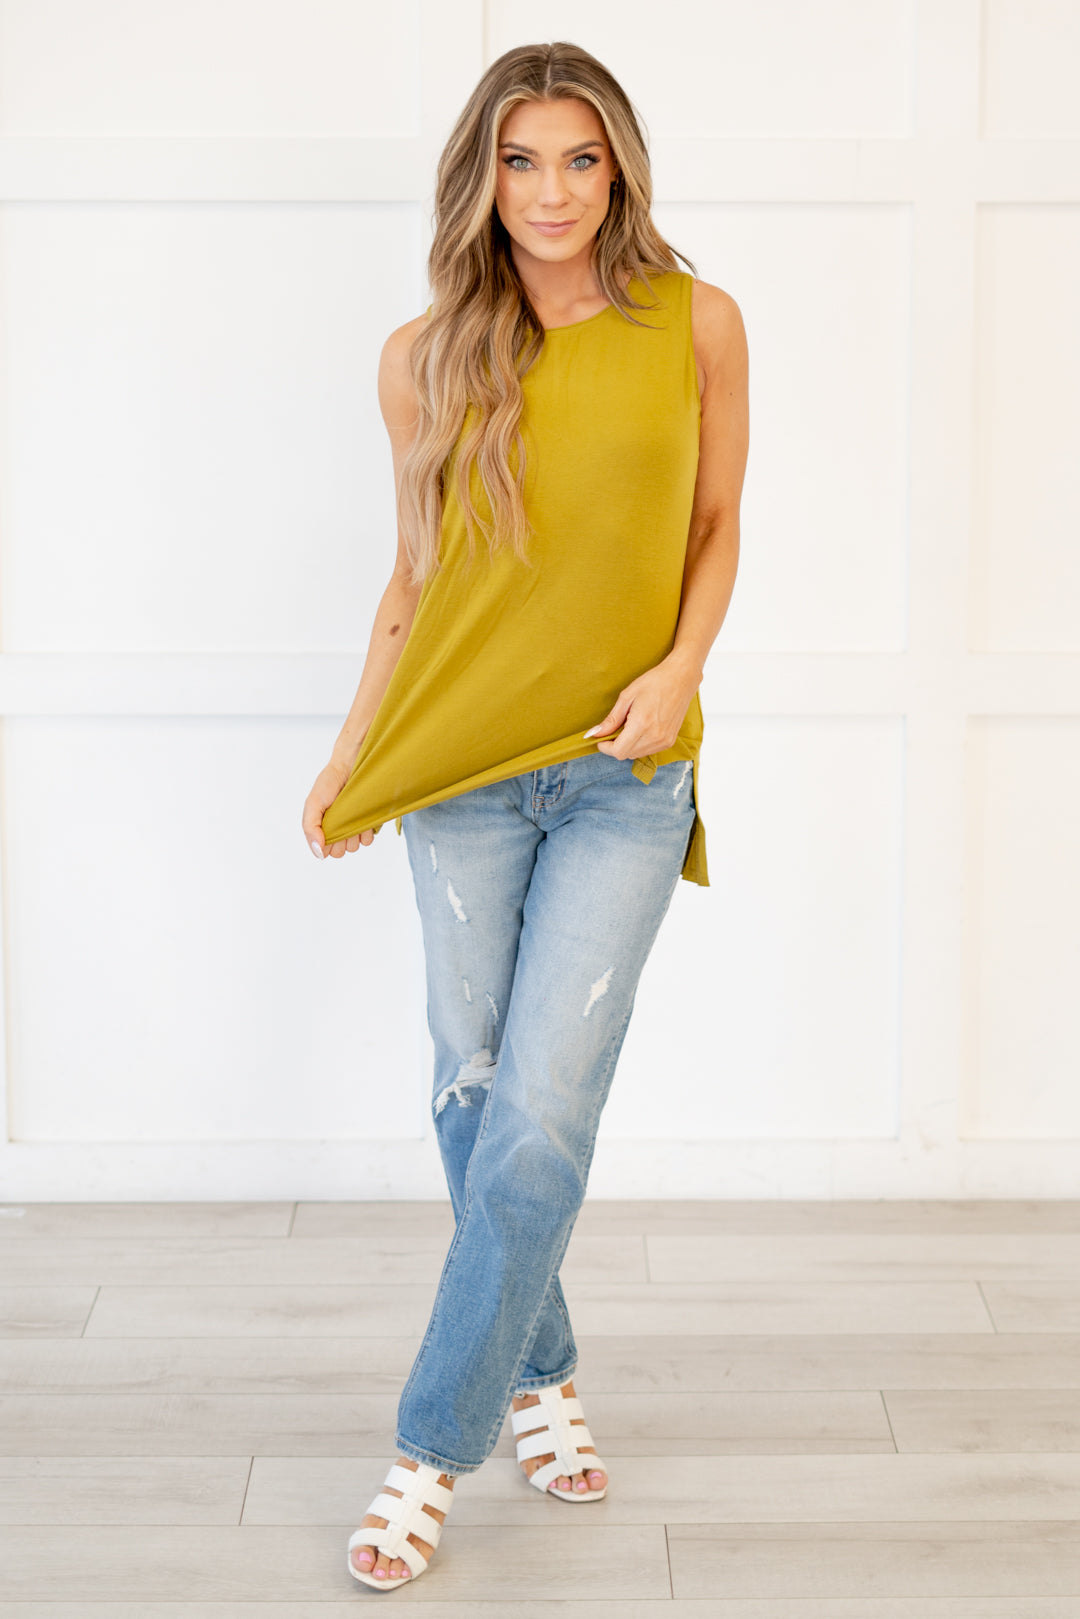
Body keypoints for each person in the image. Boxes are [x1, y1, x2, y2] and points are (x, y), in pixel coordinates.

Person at [301, 40, 748, 1593]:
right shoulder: (424, 356)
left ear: (618, 170)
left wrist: (680, 672)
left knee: (541, 1105)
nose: (551, 191)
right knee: (473, 1092)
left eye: (579, 158)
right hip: (460, 771)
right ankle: (542, 1378)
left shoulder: (697, 321)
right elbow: (416, 580)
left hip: (628, 769)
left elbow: (715, 524)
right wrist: (352, 757)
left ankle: (429, 1452)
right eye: (519, 161)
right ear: (479, 179)